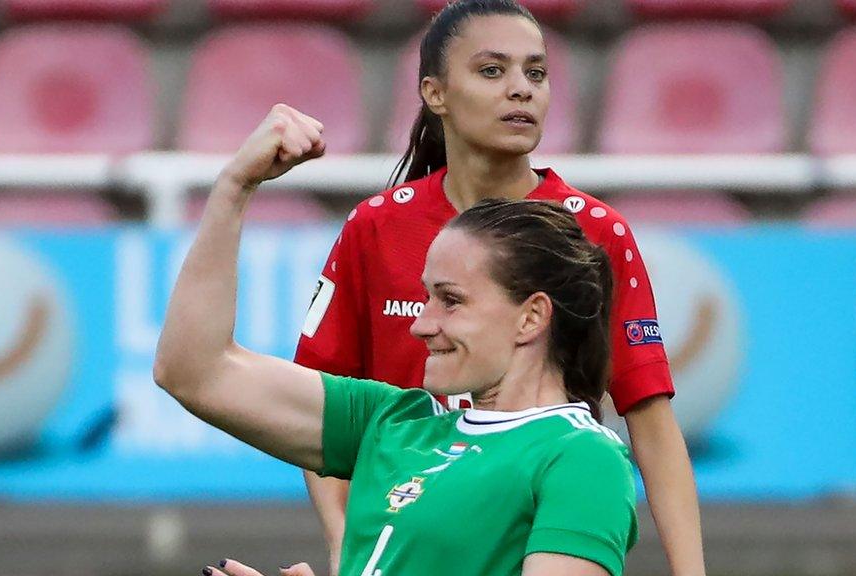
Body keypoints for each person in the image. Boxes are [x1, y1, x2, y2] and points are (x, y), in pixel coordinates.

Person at [295, 1, 705, 575]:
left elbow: (652, 424)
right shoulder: (376, 228)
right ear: (435, 93)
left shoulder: (596, 233)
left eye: (535, 73)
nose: (521, 89)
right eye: (493, 71)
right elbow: (320, 411)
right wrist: (349, 548)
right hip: (412, 543)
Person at [153, 104, 637, 576]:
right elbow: (194, 371)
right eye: (425, 297)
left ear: (531, 318)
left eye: (450, 300)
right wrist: (234, 188)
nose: (421, 324)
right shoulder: (393, 420)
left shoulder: (580, 457)